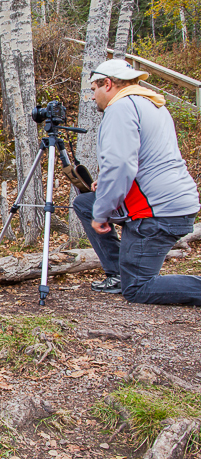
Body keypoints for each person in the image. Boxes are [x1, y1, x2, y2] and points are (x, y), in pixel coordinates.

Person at [72, 59, 201, 305]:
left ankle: (130, 279)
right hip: (173, 202)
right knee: (86, 203)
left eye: (93, 89)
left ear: (107, 84)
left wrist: (102, 214)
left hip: (156, 212)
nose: (93, 97)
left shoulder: (120, 108)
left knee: (139, 288)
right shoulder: (151, 104)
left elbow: (121, 164)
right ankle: (119, 273)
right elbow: (145, 158)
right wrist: (105, 186)